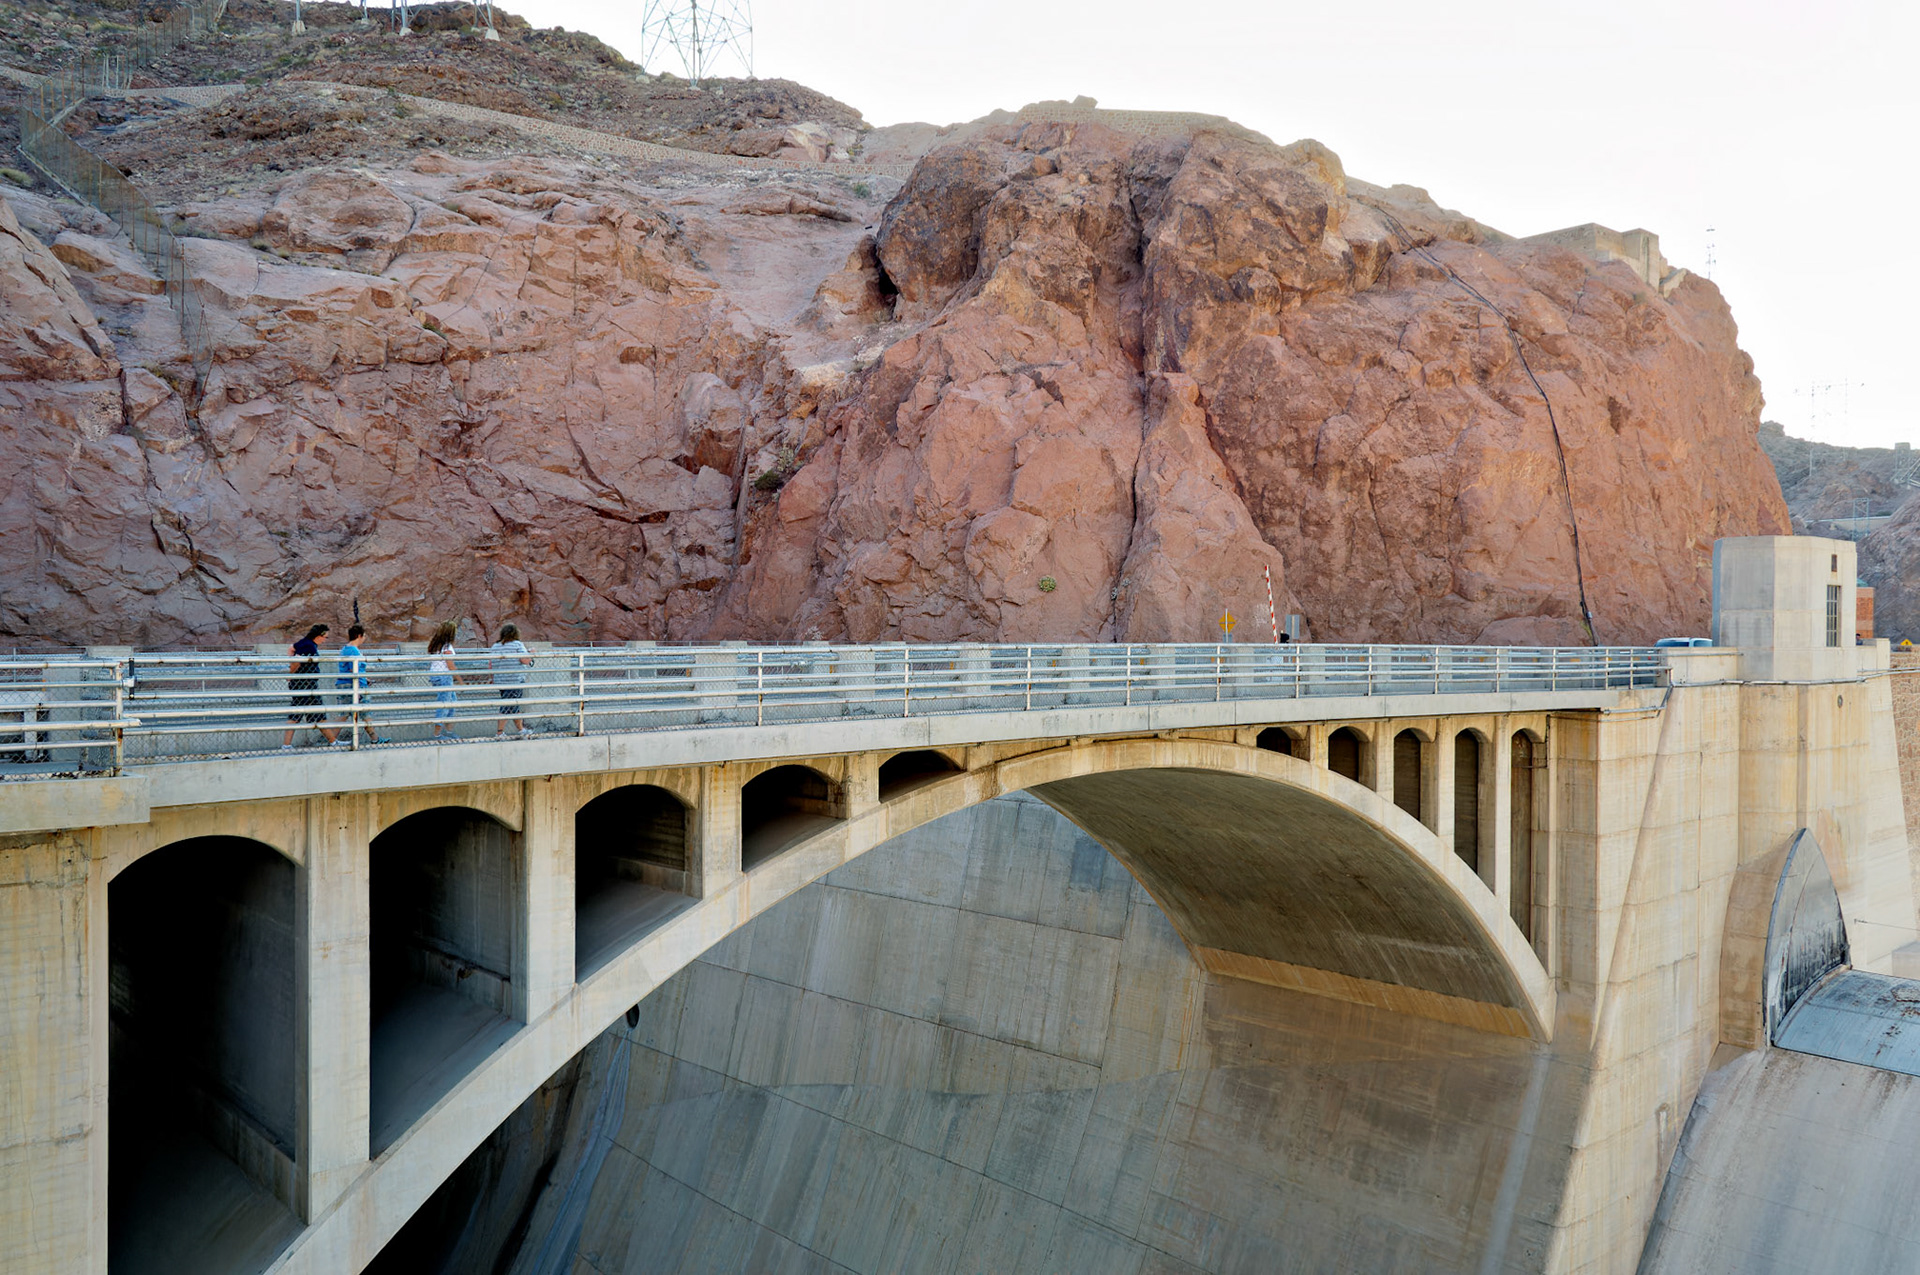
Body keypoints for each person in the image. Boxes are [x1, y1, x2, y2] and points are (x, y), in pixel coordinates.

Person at [283, 624, 341, 748]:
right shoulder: (308, 646)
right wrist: (291, 674)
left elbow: (291, 648)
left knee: (318, 715)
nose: (325, 640)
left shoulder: (305, 643)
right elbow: (296, 660)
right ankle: (286, 744)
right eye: (325, 637)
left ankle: (332, 741)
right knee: (296, 715)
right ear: (318, 636)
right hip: (304, 685)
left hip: (308, 684)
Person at [336, 624, 390, 744]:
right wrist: (362, 682)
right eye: (364, 635)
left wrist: (366, 678)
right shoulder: (353, 650)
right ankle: (331, 739)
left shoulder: (345, 649)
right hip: (355, 686)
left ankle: (375, 738)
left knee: (347, 713)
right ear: (359, 636)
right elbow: (353, 669)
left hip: (346, 684)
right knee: (361, 713)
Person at [489, 623, 534, 737]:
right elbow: (525, 660)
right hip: (514, 681)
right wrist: (531, 654)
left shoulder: (496, 646)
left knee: (514, 706)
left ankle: (521, 729)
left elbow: (491, 664)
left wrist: (493, 678)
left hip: (501, 680)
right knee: (507, 706)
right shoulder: (517, 645)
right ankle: (499, 732)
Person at [427, 621, 460, 739]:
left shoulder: (436, 645)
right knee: (444, 704)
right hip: (444, 676)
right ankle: (437, 734)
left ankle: (448, 731)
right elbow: (450, 664)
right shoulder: (447, 647)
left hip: (435, 675)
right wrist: (461, 680)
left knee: (452, 702)